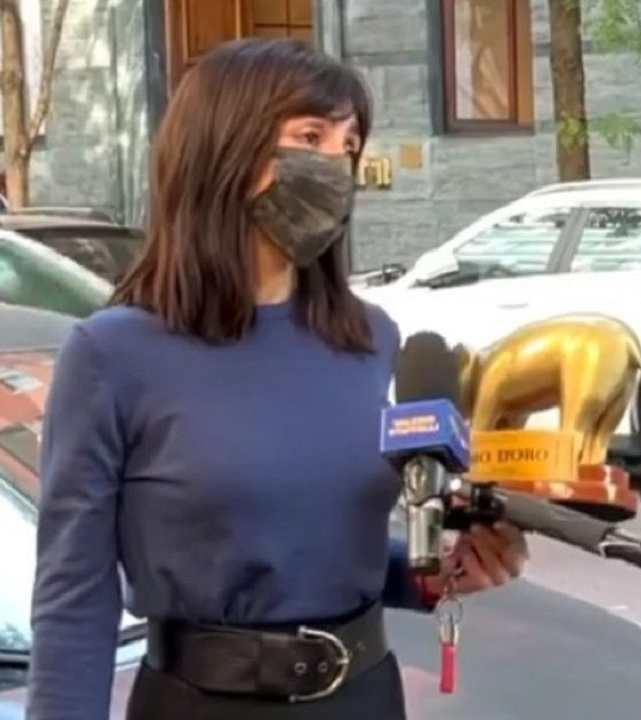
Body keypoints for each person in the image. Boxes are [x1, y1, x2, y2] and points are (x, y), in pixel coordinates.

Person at [25, 38, 529, 720]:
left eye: (349, 146)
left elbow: (322, 543)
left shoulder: (370, 339)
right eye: (310, 137)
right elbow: (74, 596)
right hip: (200, 704)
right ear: (224, 148)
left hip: (362, 697)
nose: (334, 166)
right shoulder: (112, 354)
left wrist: (436, 573)